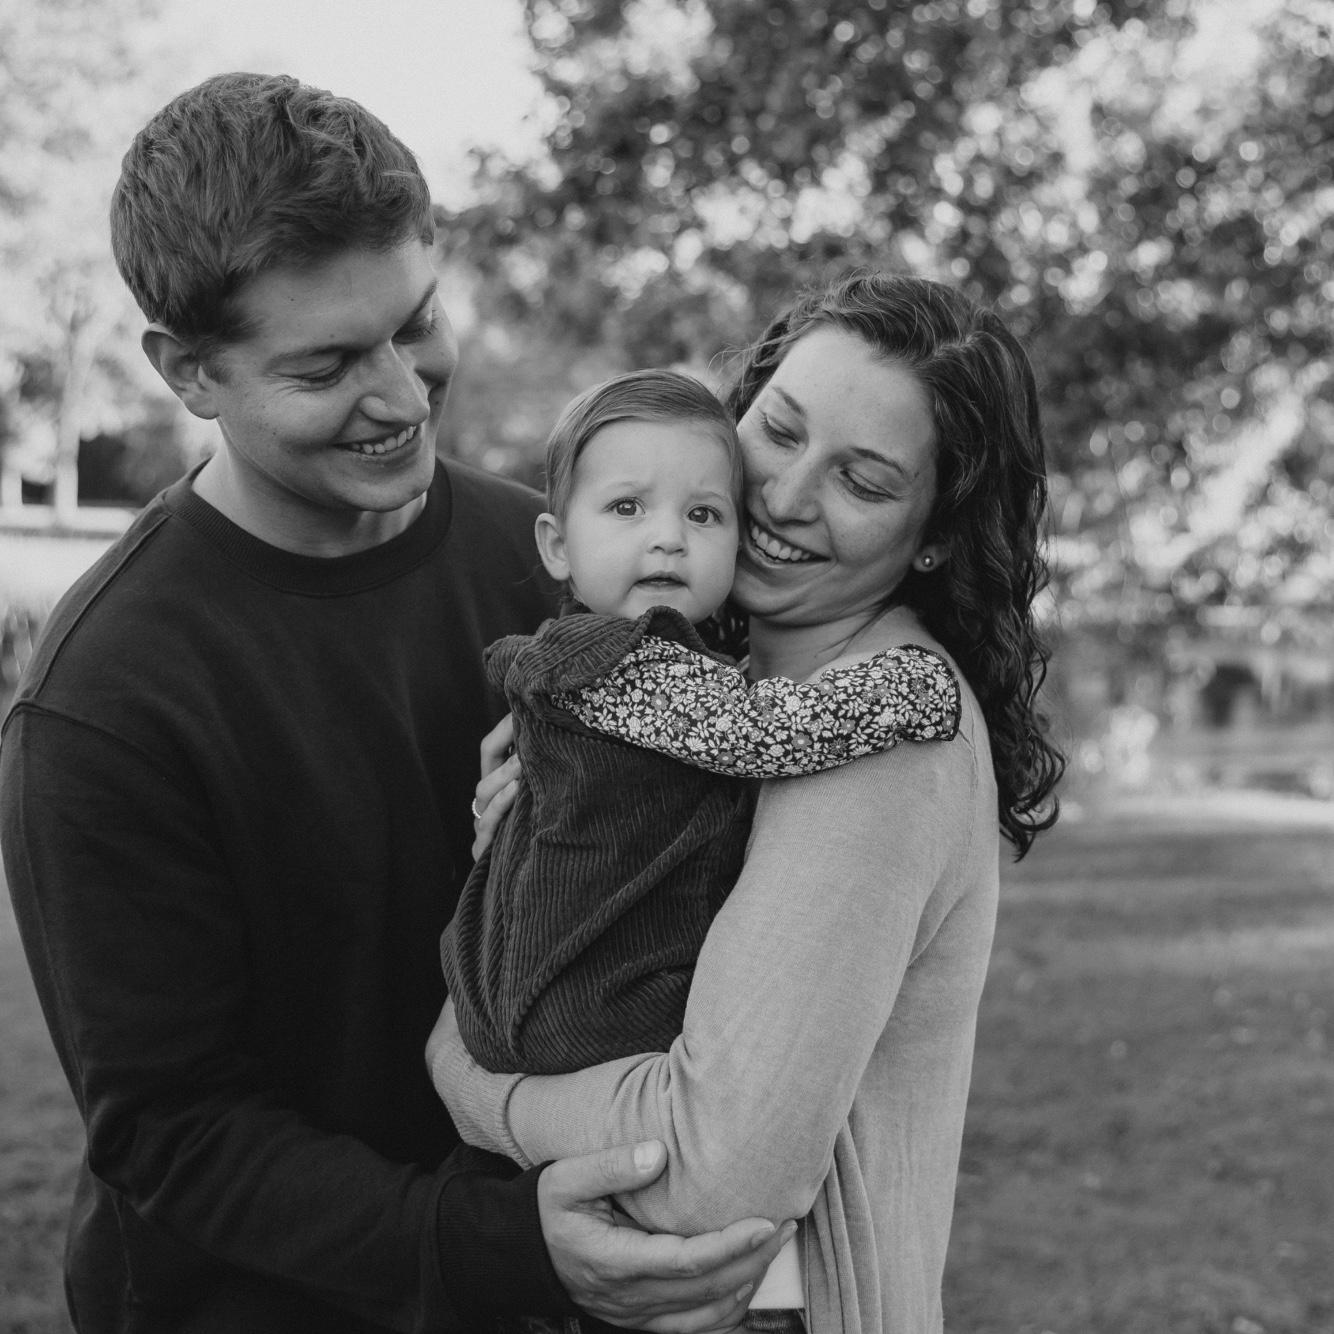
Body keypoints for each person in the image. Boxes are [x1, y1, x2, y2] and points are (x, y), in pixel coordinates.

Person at [0, 72, 792, 1334]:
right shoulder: (103, 703)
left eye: (414, 322)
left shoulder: (557, 567)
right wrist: (505, 1246)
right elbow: (173, 1131)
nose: (404, 393)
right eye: (325, 365)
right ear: (189, 370)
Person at [431, 271, 1066, 1334]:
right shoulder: (709, 683)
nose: (783, 495)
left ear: (935, 536)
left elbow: (713, 1170)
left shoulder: (875, 728)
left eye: (861, 480)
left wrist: (466, 1077)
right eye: (778, 430)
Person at [439, 367, 960, 1076]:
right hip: (589, 996)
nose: (668, 539)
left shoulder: (607, 662)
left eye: (704, 515)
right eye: (627, 508)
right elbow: (755, 733)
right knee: (759, 1036)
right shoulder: (624, 663)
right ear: (557, 545)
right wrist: (903, 688)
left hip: (541, 986)